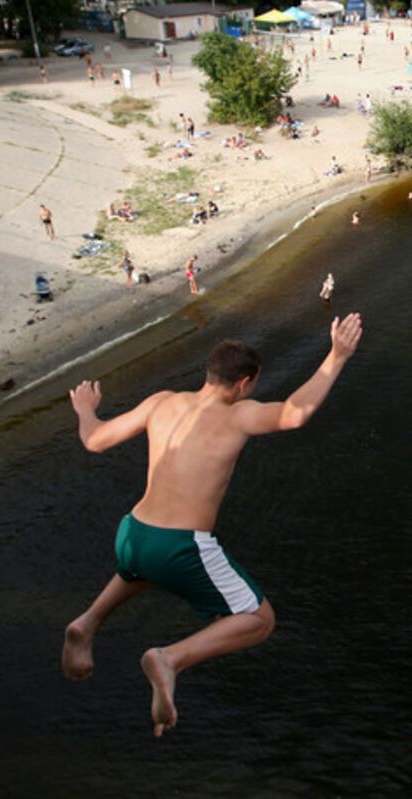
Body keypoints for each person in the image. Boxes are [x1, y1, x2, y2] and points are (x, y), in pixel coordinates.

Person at [61, 315, 363, 737]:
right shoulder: (238, 415)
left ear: (210, 373)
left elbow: (94, 440)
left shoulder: (161, 401)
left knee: (145, 569)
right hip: (180, 544)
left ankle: (87, 622)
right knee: (258, 619)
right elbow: (295, 414)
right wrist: (337, 355)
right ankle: (171, 659)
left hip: (132, 531)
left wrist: (85, 410)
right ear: (245, 383)